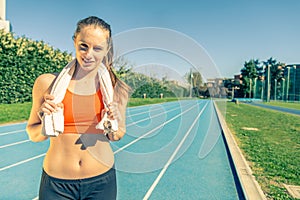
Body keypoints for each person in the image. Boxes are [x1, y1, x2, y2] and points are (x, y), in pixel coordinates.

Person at [26, 16, 129, 200]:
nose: (89, 54)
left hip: (101, 182)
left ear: (106, 50)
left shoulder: (117, 88)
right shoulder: (47, 83)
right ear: (74, 41)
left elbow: (117, 135)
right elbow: (33, 135)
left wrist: (113, 122)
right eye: (83, 46)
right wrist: (44, 119)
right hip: (57, 184)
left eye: (97, 48)